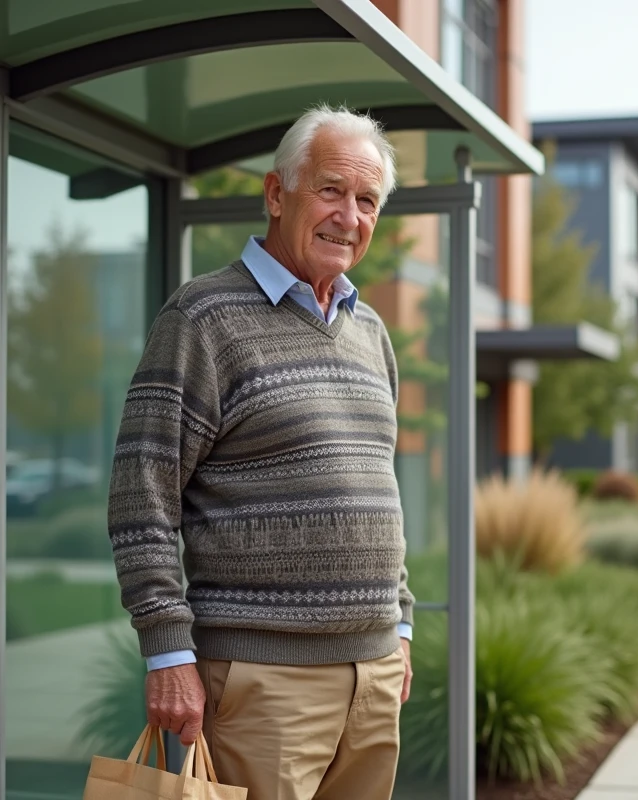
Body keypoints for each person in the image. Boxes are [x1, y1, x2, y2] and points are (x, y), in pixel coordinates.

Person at [107, 105, 412, 800]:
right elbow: (141, 495)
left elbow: (378, 487)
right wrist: (167, 650)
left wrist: (398, 621)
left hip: (373, 678)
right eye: (331, 190)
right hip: (263, 683)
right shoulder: (202, 318)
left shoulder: (371, 331)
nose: (349, 217)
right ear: (277, 194)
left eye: (367, 201)